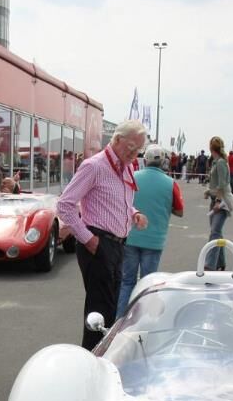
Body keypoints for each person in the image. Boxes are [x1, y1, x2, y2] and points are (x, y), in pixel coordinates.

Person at [57, 119, 149, 349]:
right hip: (98, 242)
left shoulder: (126, 166)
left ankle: (99, 357)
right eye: (132, 148)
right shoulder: (95, 166)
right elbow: (65, 205)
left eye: (139, 150)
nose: (135, 154)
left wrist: (134, 213)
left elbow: (121, 200)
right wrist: (88, 239)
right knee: (99, 312)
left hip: (117, 244)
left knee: (109, 310)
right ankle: (91, 360)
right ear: (117, 140)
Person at [116, 145, 184, 317]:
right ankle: (144, 319)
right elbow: (180, 211)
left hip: (130, 237)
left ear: (144, 160)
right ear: (163, 162)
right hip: (154, 241)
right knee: (148, 283)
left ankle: (120, 319)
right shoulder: (171, 183)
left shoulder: (133, 177)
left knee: (127, 282)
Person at [205, 137, 233, 270]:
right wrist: (209, 192)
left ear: (211, 148)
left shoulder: (220, 163)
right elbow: (216, 182)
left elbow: (222, 184)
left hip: (222, 201)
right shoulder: (216, 162)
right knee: (217, 232)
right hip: (215, 200)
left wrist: (218, 201)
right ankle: (220, 263)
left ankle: (210, 265)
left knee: (215, 232)